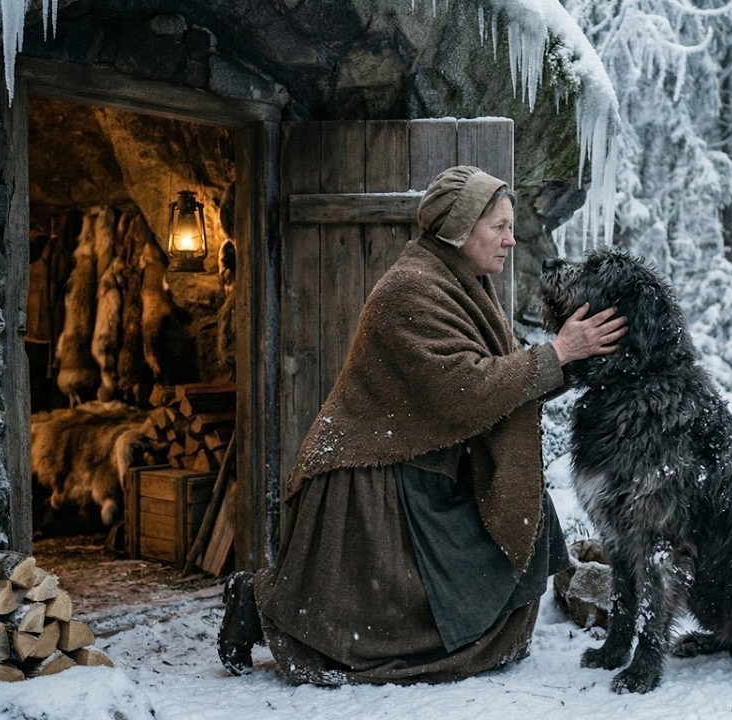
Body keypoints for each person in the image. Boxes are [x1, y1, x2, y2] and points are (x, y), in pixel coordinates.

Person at [218, 165, 627, 685]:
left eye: (510, 225)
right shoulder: (410, 291)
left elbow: (501, 385)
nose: (510, 239)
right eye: (498, 227)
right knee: (388, 635)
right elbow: (469, 390)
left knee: (508, 539)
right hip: (372, 476)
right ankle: (256, 601)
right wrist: (559, 351)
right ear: (459, 229)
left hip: (426, 463)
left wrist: (579, 360)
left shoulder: (462, 283)